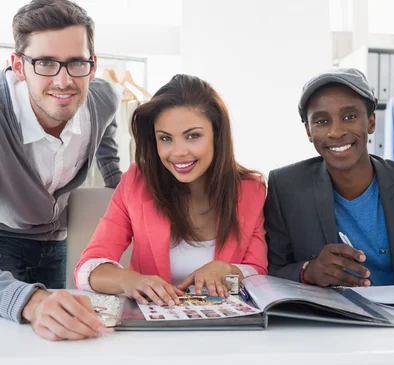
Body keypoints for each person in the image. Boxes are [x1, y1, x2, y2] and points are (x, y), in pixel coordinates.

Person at [0, 0, 121, 341]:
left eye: (76, 63)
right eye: (45, 63)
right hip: (0, 243)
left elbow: (107, 132)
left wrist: (117, 181)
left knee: (61, 341)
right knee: (3, 345)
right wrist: (33, 302)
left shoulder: (104, 100)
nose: (64, 80)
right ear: (19, 65)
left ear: (93, 65)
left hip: (60, 240)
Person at [264, 68, 394, 304]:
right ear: (308, 132)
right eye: (322, 121)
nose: (336, 131)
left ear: (371, 121)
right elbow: (271, 272)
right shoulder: (286, 187)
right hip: (333, 333)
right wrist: (308, 271)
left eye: (349, 117)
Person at [74, 74, 268, 306]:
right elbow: (88, 269)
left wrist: (228, 270)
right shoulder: (136, 182)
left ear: (218, 136)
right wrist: (129, 280)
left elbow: (259, 273)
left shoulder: (250, 189)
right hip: (155, 329)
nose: (177, 152)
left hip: (222, 330)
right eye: (165, 139)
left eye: (193, 136)